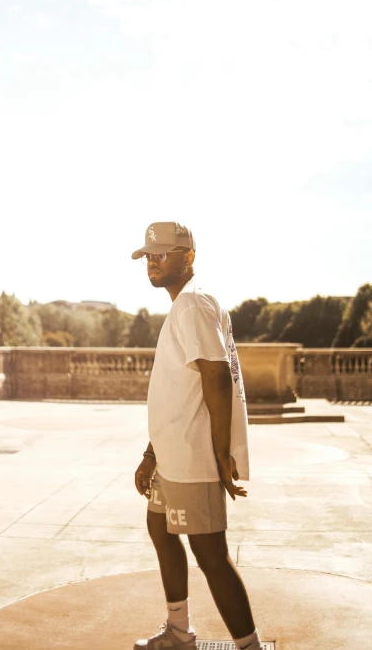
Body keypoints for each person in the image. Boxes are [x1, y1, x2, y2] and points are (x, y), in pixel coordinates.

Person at [132, 222, 264, 650]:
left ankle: (250, 648)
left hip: (193, 456)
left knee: (210, 555)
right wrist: (152, 452)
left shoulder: (192, 304)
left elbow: (216, 376)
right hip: (171, 456)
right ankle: (178, 632)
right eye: (149, 255)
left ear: (188, 257)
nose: (153, 261)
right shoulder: (184, 306)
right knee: (160, 529)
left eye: (162, 253)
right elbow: (178, 390)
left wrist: (222, 454)